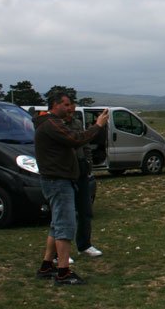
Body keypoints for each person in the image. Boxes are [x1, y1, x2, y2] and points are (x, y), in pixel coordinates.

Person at [34, 92, 107, 286]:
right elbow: (76, 139)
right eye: (65, 105)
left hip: (57, 180)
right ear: (54, 105)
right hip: (58, 181)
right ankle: (63, 272)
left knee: (56, 224)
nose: (70, 108)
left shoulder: (49, 123)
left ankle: (46, 265)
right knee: (66, 224)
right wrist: (98, 125)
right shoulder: (52, 124)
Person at [66, 109, 103, 258]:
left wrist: (88, 163)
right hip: (66, 172)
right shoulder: (57, 126)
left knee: (85, 211)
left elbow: (85, 144)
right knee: (65, 214)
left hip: (81, 172)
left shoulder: (77, 123)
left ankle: (84, 245)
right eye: (67, 105)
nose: (70, 109)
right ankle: (60, 252)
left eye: (72, 105)